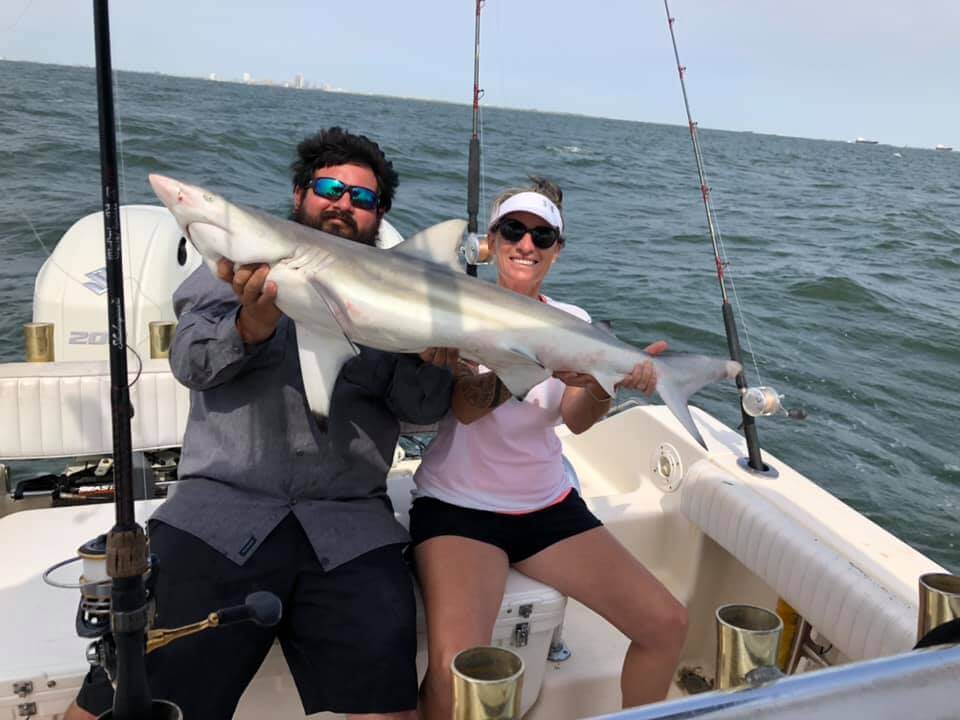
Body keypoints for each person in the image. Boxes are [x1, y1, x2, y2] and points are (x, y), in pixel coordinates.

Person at [65, 127, 456, 720]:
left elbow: (422, 410)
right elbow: (191, 364)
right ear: (299, 193)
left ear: (379, 216)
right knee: (116, 705)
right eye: (330, 188)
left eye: (363, 198)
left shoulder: (398, 297)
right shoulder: (230, 269)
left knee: (391, 710)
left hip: (348, 525)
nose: (343, 204)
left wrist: (427, 357)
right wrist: (252, 323)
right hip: (222, 514)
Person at [410, 178, 689, 720]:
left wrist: (605, 381)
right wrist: (539, 355)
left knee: (668, 624)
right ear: (490, 241)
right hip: (460, 510)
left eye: (542, 236)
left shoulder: (574, 322)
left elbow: (576, 422)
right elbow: (466, 408)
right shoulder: (457, 310)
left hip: (547, 507)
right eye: (513, 230)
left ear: (557, 251)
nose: (526, 245)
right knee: (452, 671)